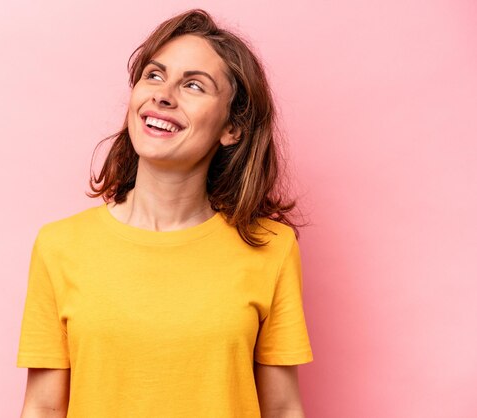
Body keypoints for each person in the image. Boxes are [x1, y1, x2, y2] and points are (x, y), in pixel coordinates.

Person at [17, 8, 313, 418]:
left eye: (194, 85)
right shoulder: (59, 246)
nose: (162, 93)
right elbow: (44, 409)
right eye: (154, 75)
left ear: (233, 128)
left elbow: (282, 409)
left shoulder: (271, 248)